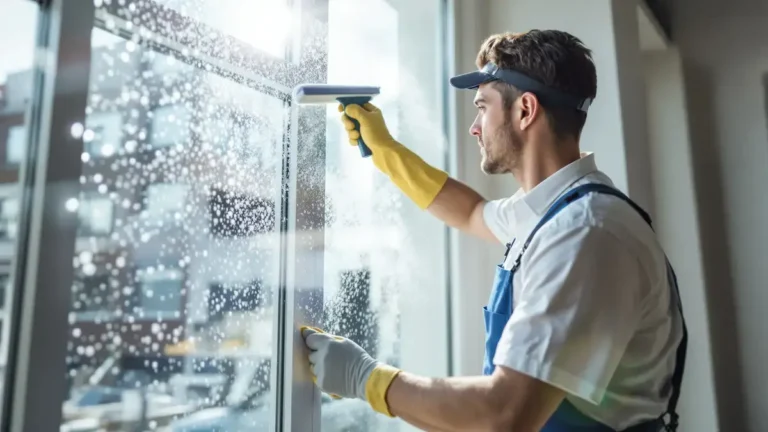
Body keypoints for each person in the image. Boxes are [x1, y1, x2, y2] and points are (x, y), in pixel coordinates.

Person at [301, 29, 687, 432]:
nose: (474, 127)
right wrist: (386, 151)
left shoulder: (583, 233)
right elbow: (470, 212)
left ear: (525, 110)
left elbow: (505, 414)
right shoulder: (556, 210)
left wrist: (367, 381)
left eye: (482, 107)